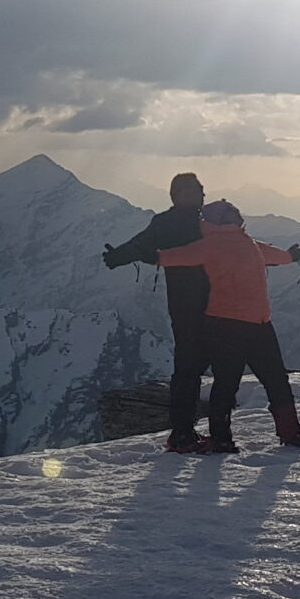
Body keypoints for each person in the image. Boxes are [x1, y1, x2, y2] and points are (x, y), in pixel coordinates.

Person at [152, 200, 300, 453]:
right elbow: (276, 256)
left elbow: (174, 257)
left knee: (227, 384)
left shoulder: (217, 245)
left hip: (225, 325)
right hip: (257, 324)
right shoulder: (247, 243)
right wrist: (293, 256)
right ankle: (291, 433)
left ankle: (222, 438)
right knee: (275, 380)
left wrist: (146, 254)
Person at [102, 173, 212, 452]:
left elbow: (142, 244)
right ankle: (186, 433)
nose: (195, 196)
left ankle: (191, 431)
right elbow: (143, 244)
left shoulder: (192, 222)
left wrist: (119, 256)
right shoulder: (197, 222)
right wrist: (120, 256)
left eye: (196, 191)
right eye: (189, 192)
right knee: (192, 368)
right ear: (176, 196)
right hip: (197, 304)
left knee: (194, 368)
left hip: (200, 303)